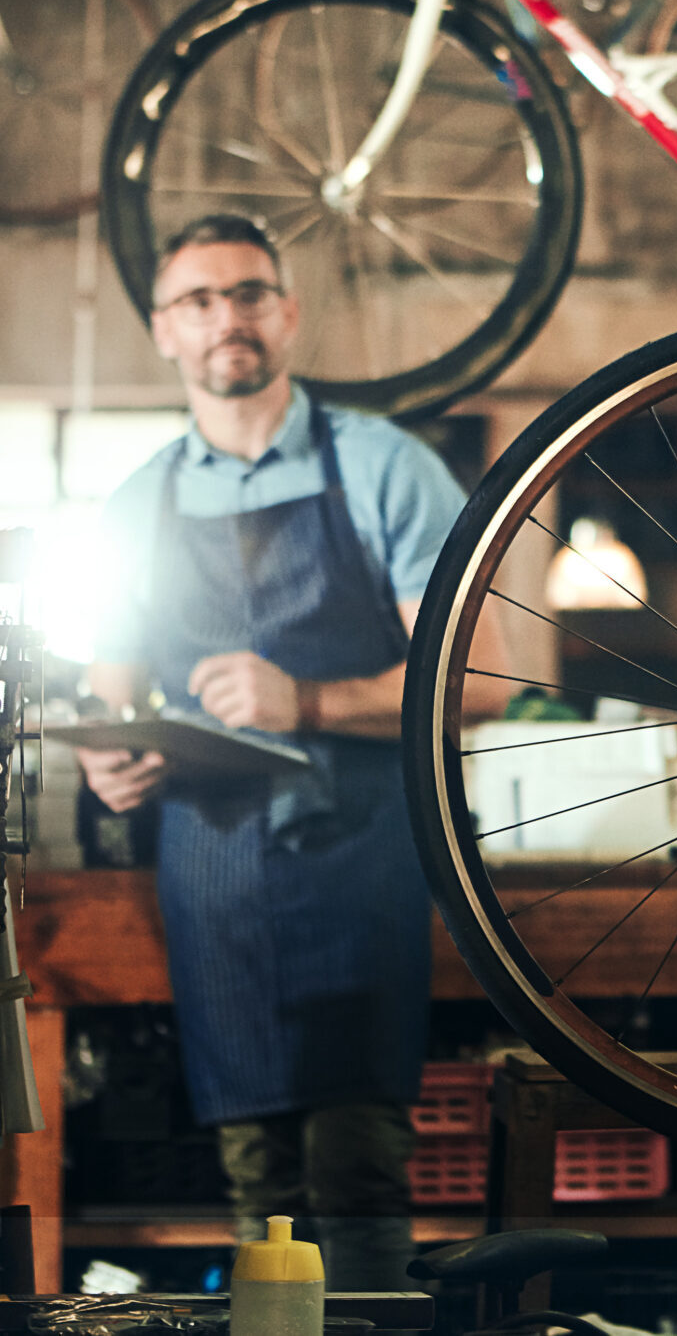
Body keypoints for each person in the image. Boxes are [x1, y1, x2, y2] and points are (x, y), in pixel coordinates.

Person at [78, 215, 469, 1290]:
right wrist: (111, 763)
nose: (226, 318)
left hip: (364, 852)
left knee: (359, 1171)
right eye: (198, 301)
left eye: (248, 293)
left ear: (287, 312)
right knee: (255, 1177)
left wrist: (305, 698)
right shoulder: (137, 503)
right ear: (164, 331)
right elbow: (113, 698)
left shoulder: (387, 468)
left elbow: (469, 683)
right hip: (214, 868)